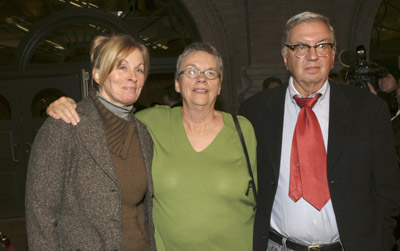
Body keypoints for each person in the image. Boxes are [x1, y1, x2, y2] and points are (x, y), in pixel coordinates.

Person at [46, 42, 257, 251]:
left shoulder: (242, 129)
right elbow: (106, 117)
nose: (201, 78)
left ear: (219, 85)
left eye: (211, 73)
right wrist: (65, 107)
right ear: (176, 83)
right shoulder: (150, 122)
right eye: (191, 71)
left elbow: (264, 197)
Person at [240, 11, 400, 251]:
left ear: (333, 54)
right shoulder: (255, 111)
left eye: (322, 46)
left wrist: (379, 243)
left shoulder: (369, 109)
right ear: (285, 56)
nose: (313, 56)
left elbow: (388, 191)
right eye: (301, 47)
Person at [25, 34, 156, 250]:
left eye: (139, 69)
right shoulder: (64, 126)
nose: (133, 76)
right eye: (122, 67)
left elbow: (143, 212)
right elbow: (40, 214)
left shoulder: (142, 134)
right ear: (97, 74)